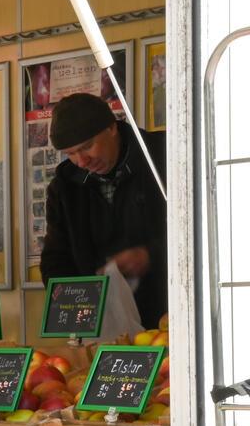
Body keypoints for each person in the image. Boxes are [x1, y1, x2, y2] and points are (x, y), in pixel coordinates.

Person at [39, 92, 169, 328]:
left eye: (87, 147)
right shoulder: (64, 187)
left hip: (172, 319)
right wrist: (78, 302)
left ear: (111, 128)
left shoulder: (165, 157)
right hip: (103, 327)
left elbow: (206, 232)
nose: (81, 161)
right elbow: (55, 261)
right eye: (70, 153)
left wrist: (151, 255)